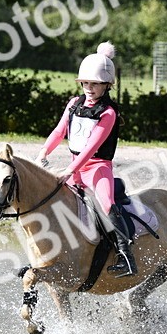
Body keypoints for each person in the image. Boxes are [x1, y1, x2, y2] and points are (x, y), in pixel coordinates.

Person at [35, 41, 136, 277]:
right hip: (74, 168)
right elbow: (59, 131)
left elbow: (91, 149)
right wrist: (43, 152)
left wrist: (69, 170)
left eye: (95, 84)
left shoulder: (108, 113)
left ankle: (126, 256)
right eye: (86, 83)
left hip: (97, 168)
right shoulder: (74, 104)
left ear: (106, 85)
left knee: (108, 203)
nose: (89, 88)